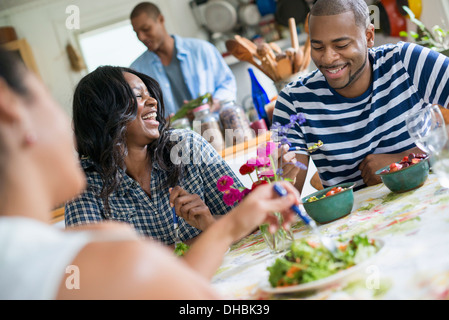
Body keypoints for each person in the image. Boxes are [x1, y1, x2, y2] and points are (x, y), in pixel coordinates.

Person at [0, 46, 301, 299]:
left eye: (150, 95)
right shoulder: (80, 248)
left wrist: (221, 226)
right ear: (10, 111)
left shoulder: (33, 254)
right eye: (47, 99)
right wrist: (225, 229)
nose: (153, 102)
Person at [273, 0, 449, 193]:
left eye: (341, 45)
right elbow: (283, 196)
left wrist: (405, 159)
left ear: (369, 36)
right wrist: (279, 178)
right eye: (318, 47)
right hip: (356, 221)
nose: (328, 58)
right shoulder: (292, 101)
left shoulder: (407, 61)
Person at [65, 66, 243, 246]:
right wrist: (200, 242)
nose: (153, 101)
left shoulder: (187, 146)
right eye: (138, 96)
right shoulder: (81, 184)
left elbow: (249, 219)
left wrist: (210, 223)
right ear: (103, 113)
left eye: (150, 94)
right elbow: (91, 265)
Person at [129, 2, 237, 117]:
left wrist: (214, 102)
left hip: (216, 126)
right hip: (173, 134)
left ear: (161, 19)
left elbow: (227, 82)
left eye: (146, 29)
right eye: (137, 33)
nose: (141, 37)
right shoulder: (136, 71)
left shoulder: (201, 50)